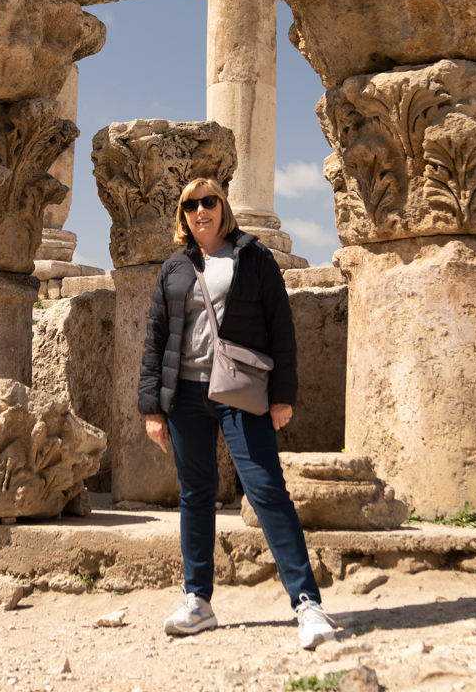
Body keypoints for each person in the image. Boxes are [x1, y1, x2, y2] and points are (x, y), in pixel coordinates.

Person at [138, 176, 337, 650]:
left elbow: (281, 328)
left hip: (241, 392)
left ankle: (307, 603)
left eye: (209, 202)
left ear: (223, 208)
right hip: (185, 395)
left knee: (267, 490)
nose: (200, 210)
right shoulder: (174, 268)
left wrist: (283, 395)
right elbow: (155, 338)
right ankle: (197, 601)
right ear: (183, 215)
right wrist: (152, 407)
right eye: (191, 204)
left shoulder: (255, 257)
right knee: (196, 495)